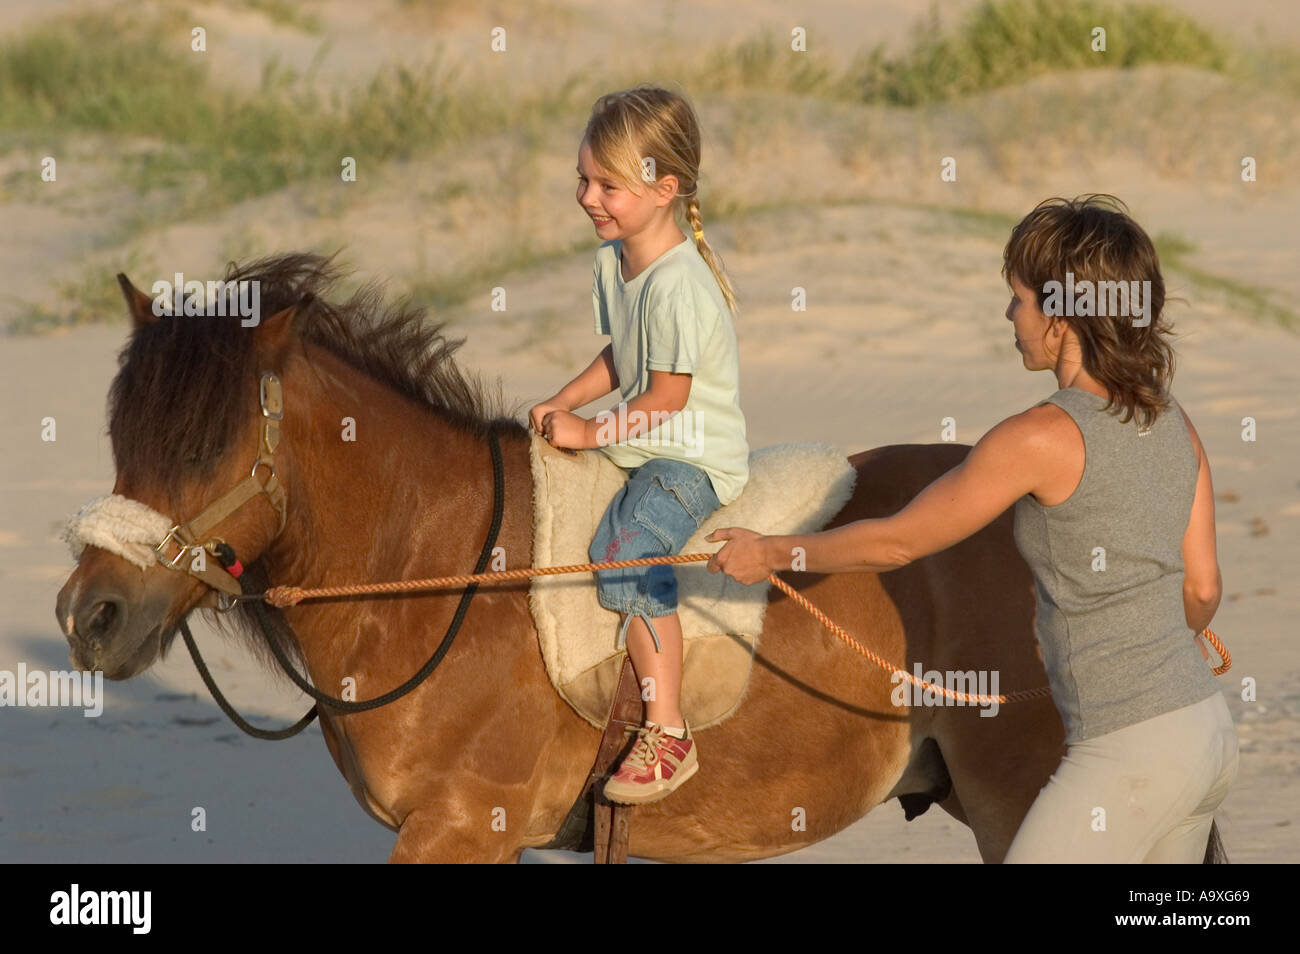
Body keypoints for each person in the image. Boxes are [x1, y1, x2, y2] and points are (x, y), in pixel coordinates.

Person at [705, 195, 1237, 862]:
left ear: (1062, 315)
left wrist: (776, 550)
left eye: (1018, 298)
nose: (1010, 315)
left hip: (1127, 754)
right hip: (1205, 734)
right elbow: (1202, 592)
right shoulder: (1174, 422)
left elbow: (900, 540)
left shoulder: (1039, 437)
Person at [529, 85, 749, 805]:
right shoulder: (616, 257)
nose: (590, 197)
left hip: (688, 455)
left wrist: (590, 432)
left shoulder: (679, 283)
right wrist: (566, 399)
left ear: (666, 188)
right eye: (584, 181)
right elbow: (624, 359)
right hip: (645, 440)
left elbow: (666, 397)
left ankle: (668, 729)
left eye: (608, 186)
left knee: (625, 551)